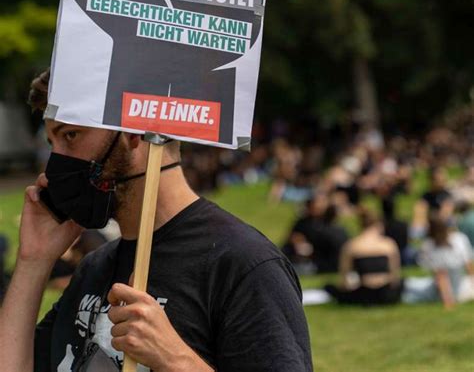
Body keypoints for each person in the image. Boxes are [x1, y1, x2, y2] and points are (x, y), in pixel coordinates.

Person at [0, 69, 313, 372]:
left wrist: (176, 361)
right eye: (53, 144)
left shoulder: (243, 265)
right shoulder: (95, 268)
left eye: (71, 135)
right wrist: (33, 260)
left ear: (134, 132)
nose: (54, 164)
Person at [324, 207, 402, 306]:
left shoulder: (352, 245)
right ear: (379, 225)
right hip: (387, 294)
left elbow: (344, 279)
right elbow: (395, 276)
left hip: (364, 294)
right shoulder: (388, 244)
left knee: (329, 287)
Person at [403, 214, 474, 308]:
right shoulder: (459, 238)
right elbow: (469, 266)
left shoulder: (429, 246)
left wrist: (448, 301)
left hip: (443, 291)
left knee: (408, 285)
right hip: (460, 287)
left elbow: (441, 277)